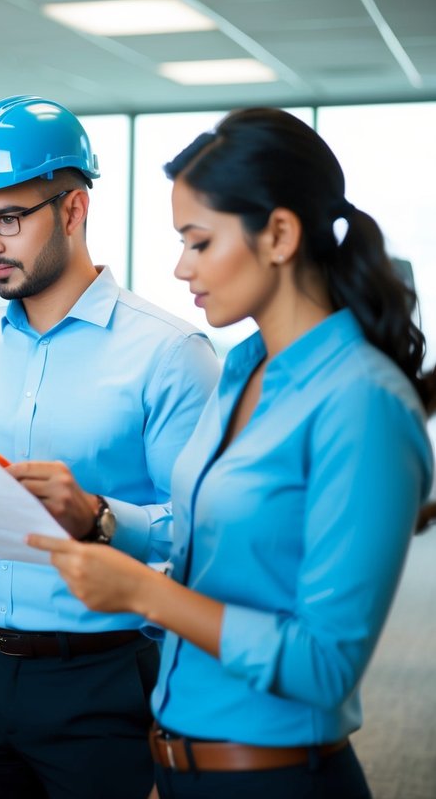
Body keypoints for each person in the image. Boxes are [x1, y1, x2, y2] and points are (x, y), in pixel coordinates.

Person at [28, 107, 435, 799]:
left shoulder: (360, 402)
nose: (179, 265)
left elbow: (325, 663)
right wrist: (99, 516)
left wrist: (143, 595)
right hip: (180, 759)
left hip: (276, 778)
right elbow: (211, 539)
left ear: (277, 234)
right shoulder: (246, 367)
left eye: (198, 241)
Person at [0, 95, 220, 799]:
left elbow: (205, 538)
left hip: (99, 674)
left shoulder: (169, 353)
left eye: (8, 219)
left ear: (72, 209)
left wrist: (98, 514)